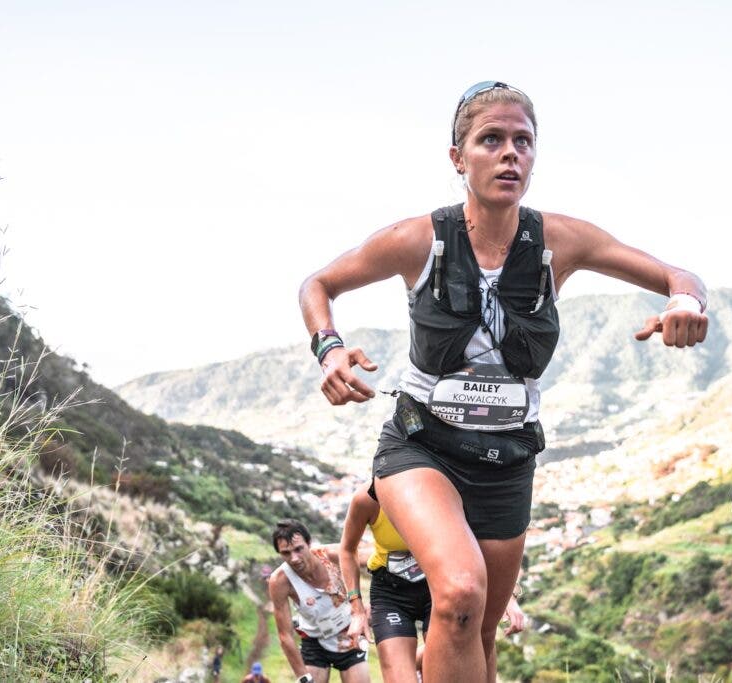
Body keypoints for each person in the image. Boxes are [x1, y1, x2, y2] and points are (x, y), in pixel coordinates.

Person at [299, 80, 708, 682]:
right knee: (460, 593)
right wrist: (329, 350)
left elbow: (679, 275)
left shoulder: (559, 241)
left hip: (508, 456)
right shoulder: (420, 240)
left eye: (524, 141)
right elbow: (318, 284)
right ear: (458, 158)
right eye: (492, 139)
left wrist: (686, 303)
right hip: (422, 445)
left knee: (481, 630)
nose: (510, 153)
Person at [339, 482, 527, 682]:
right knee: (399, 676)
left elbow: (485, 544)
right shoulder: (367, 498)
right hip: (390, 592)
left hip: (436, 587)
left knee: (453, 668)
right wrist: (357, 608)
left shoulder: (443, 489)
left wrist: (508, 596)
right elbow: (347, 550)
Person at [268, 519, 370, 683]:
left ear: (309, 543)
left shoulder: (330, 555)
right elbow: (285, 634)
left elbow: (373, 556)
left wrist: (373, 604)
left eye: (299, 549)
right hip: (314, 641)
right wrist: (303, 677)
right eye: (286, 553)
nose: (294, 558)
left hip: (349, 634)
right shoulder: (280, 581)